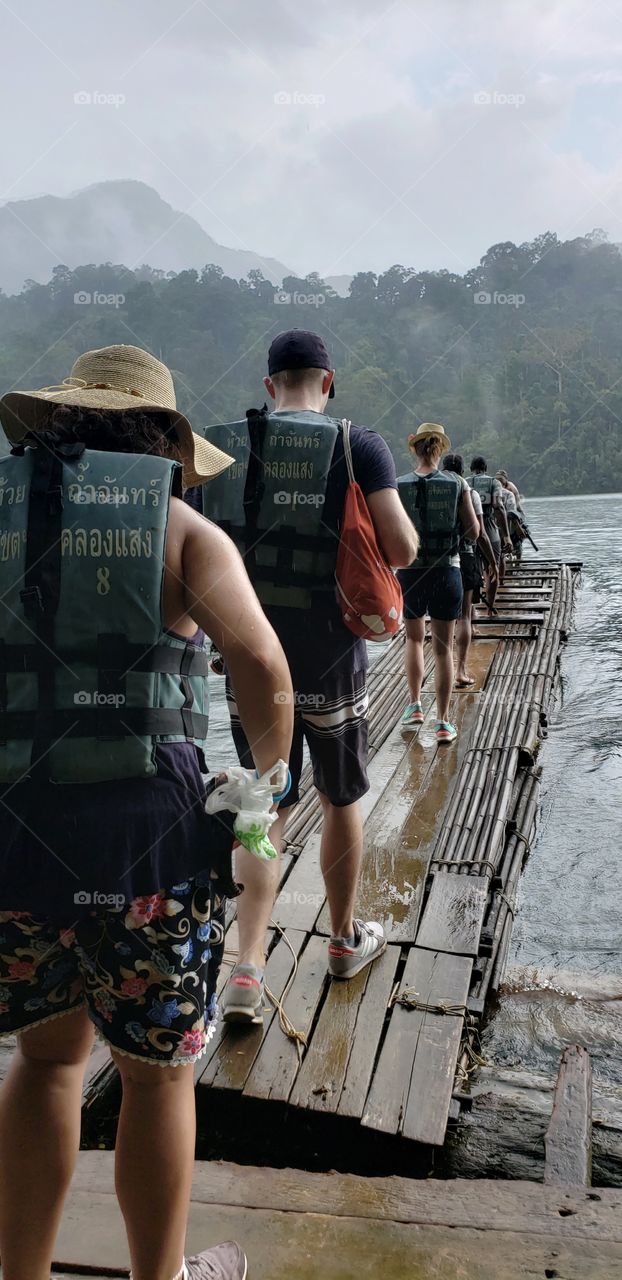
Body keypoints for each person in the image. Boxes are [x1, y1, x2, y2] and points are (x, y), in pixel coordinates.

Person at [0, 345, 294, 1280]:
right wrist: (264, 789)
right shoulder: (180, 531)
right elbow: (265, 671)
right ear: (163, 443)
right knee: (157, 1076)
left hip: (14, 845)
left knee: (45, 1065)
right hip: (149, 855)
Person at [199, 329, 419, 1021]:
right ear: (328, 381)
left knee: (265, 804)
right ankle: (343, 940)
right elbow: (404, 548)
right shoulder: (360, 445)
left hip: (251, 659)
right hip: (333, 658)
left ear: (270, 386)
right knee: (341, 798)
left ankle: (248, 969)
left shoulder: (225, 447)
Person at [396, 425, 479, 743]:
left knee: (414, 640)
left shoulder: (398, 485)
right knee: (443, 649)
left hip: (410, 572)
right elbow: (473, 532)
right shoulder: (457, 483)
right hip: (447, 572)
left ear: (414, 448)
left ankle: (415, 706)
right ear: (440, 450)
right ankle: (443, 722)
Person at [442, 452, 497, 686]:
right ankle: (460, 671)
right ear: (462, 471)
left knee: (443, 617)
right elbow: (480, 533)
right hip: (465, 557)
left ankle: (442, 670)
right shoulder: (469, 493)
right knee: (464, 615)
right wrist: (493, 561)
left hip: (437, 561)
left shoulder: (435, 492)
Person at [468, 456, 512, 613]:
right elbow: (498, 507)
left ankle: (470, 610)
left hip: (468, 529)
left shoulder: (464, 482)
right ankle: (489, 609)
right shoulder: (494, 482)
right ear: (485, 468)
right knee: (492, 570)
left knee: (471, 570)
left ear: (471, 468)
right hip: (489, 527)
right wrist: (506, 535)